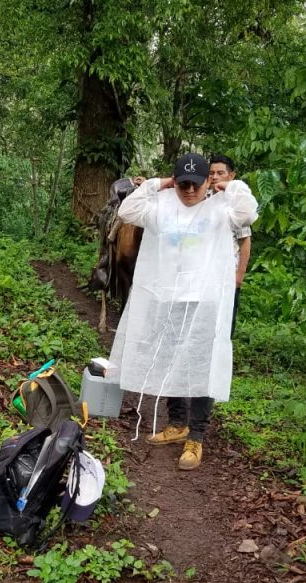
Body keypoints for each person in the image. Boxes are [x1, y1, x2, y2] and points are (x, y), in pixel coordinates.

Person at [109, 152, 258, 470]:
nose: (190, 191)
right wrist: (158, 184)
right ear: (175, 182)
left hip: (205, 301)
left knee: (202, 366)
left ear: (208, 182)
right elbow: (127, 210)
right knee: (171, 357)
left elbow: (248, 213)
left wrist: (230, 187)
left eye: (196, 184)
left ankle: (197, 436)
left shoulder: (220, 209)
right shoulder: (161, 207)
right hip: (169, 297)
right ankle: (177, 424)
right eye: (183, 184)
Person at [207, 155, 252, 337]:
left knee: (225, 325)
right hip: (204, 274)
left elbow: (245, 241)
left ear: (231, 176)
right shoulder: (203, 198)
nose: (215, 177)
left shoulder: (236, 203)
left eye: (220, 173)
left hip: (227, 274)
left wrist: (239, 276)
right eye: (211, 173)